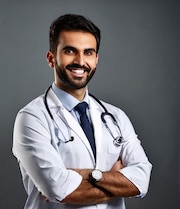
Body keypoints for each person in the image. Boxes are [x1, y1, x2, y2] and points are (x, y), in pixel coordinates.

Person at [12, 14, 152, 209]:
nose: (80, 61)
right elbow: (59, 190)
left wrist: (89, 176)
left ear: (96, 59)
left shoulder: (116, 117)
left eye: (88, 52)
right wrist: (115, 178)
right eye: (70, 51)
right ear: (51, 58)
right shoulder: (32, 118)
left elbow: (141, 180)